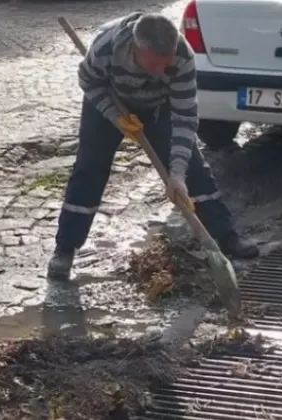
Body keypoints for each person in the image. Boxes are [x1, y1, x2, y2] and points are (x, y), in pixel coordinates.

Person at [47, 12, 259, 281]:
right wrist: (115, 117)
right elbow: (88, 80)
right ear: (137, 49)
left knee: (194, 168)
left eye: (165, 64)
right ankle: (65, 248)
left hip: (158, 106)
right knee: (89, 169)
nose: (160, 70)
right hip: (109, 101)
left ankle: (225, 238)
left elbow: (184, 117)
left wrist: (178, 174)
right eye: (153, 64)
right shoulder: (106, 48)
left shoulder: (182, 57)